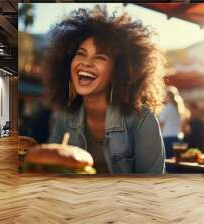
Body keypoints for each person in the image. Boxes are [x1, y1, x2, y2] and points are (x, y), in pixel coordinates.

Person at [46, 6, 166, 174]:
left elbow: (153, 187)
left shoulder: (142, 121)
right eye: (81, 53)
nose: (86, 63)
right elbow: (52, 175)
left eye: (100, 57)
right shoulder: (64, 118)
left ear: (118, 72)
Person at [159, 86, 187, 159]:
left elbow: (160, 124)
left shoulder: (166, 109)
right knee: (176, 161)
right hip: (178, 139)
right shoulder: (179, 109)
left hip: (167, 138)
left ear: (168, 97)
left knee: (168, 161)